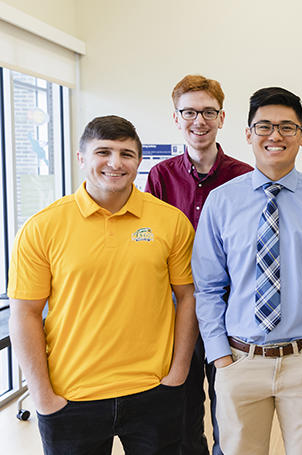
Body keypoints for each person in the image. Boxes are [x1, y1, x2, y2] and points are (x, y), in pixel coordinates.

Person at [8, 115, 197, 454]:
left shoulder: (171, 222)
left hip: (153, 391)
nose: (115, 163)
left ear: (139, 162)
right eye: (103, 152)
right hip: (71, 396)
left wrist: (177, 374)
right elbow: (25, 314)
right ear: (81, 158)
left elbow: (189, 297)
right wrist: (43, 396)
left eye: (126, 154)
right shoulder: (43, 227)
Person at [193, 87, 302, 455]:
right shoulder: (222, 202)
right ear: (248, 134)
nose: (275, 135)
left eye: (287, 126)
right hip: (239, 360)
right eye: (264, 126)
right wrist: (220, 354)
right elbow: (206, 287)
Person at [146, 74, 252, 455]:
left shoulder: (244, 177)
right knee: (184, 406)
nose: (199, 121)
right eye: (189, 112)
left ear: (222, 117)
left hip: (231, 308)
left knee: (231, 406)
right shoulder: (161, 176)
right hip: (178, 308)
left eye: (208, 112)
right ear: (176, 118)